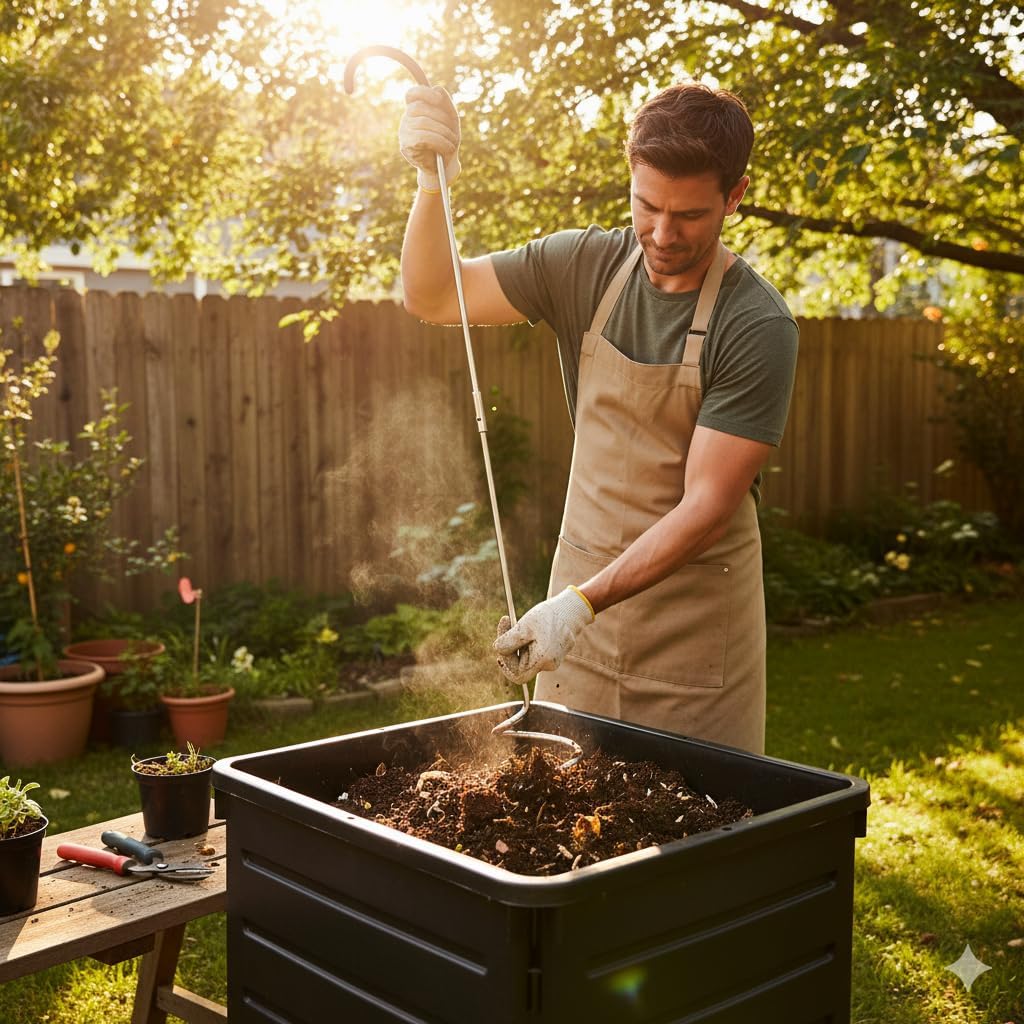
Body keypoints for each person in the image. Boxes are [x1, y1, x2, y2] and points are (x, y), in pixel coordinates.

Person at [398, 81, 798, 754]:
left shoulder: (756, 324)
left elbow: (705, 507)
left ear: (736, 196)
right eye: (647, 206)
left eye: (690, 216)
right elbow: (434, 295)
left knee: (693, 840)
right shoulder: (582, 266)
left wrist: (577, 605)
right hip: (574, 635)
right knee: (572, 835)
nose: (663, 235)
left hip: (690, 638)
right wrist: (432, 185)